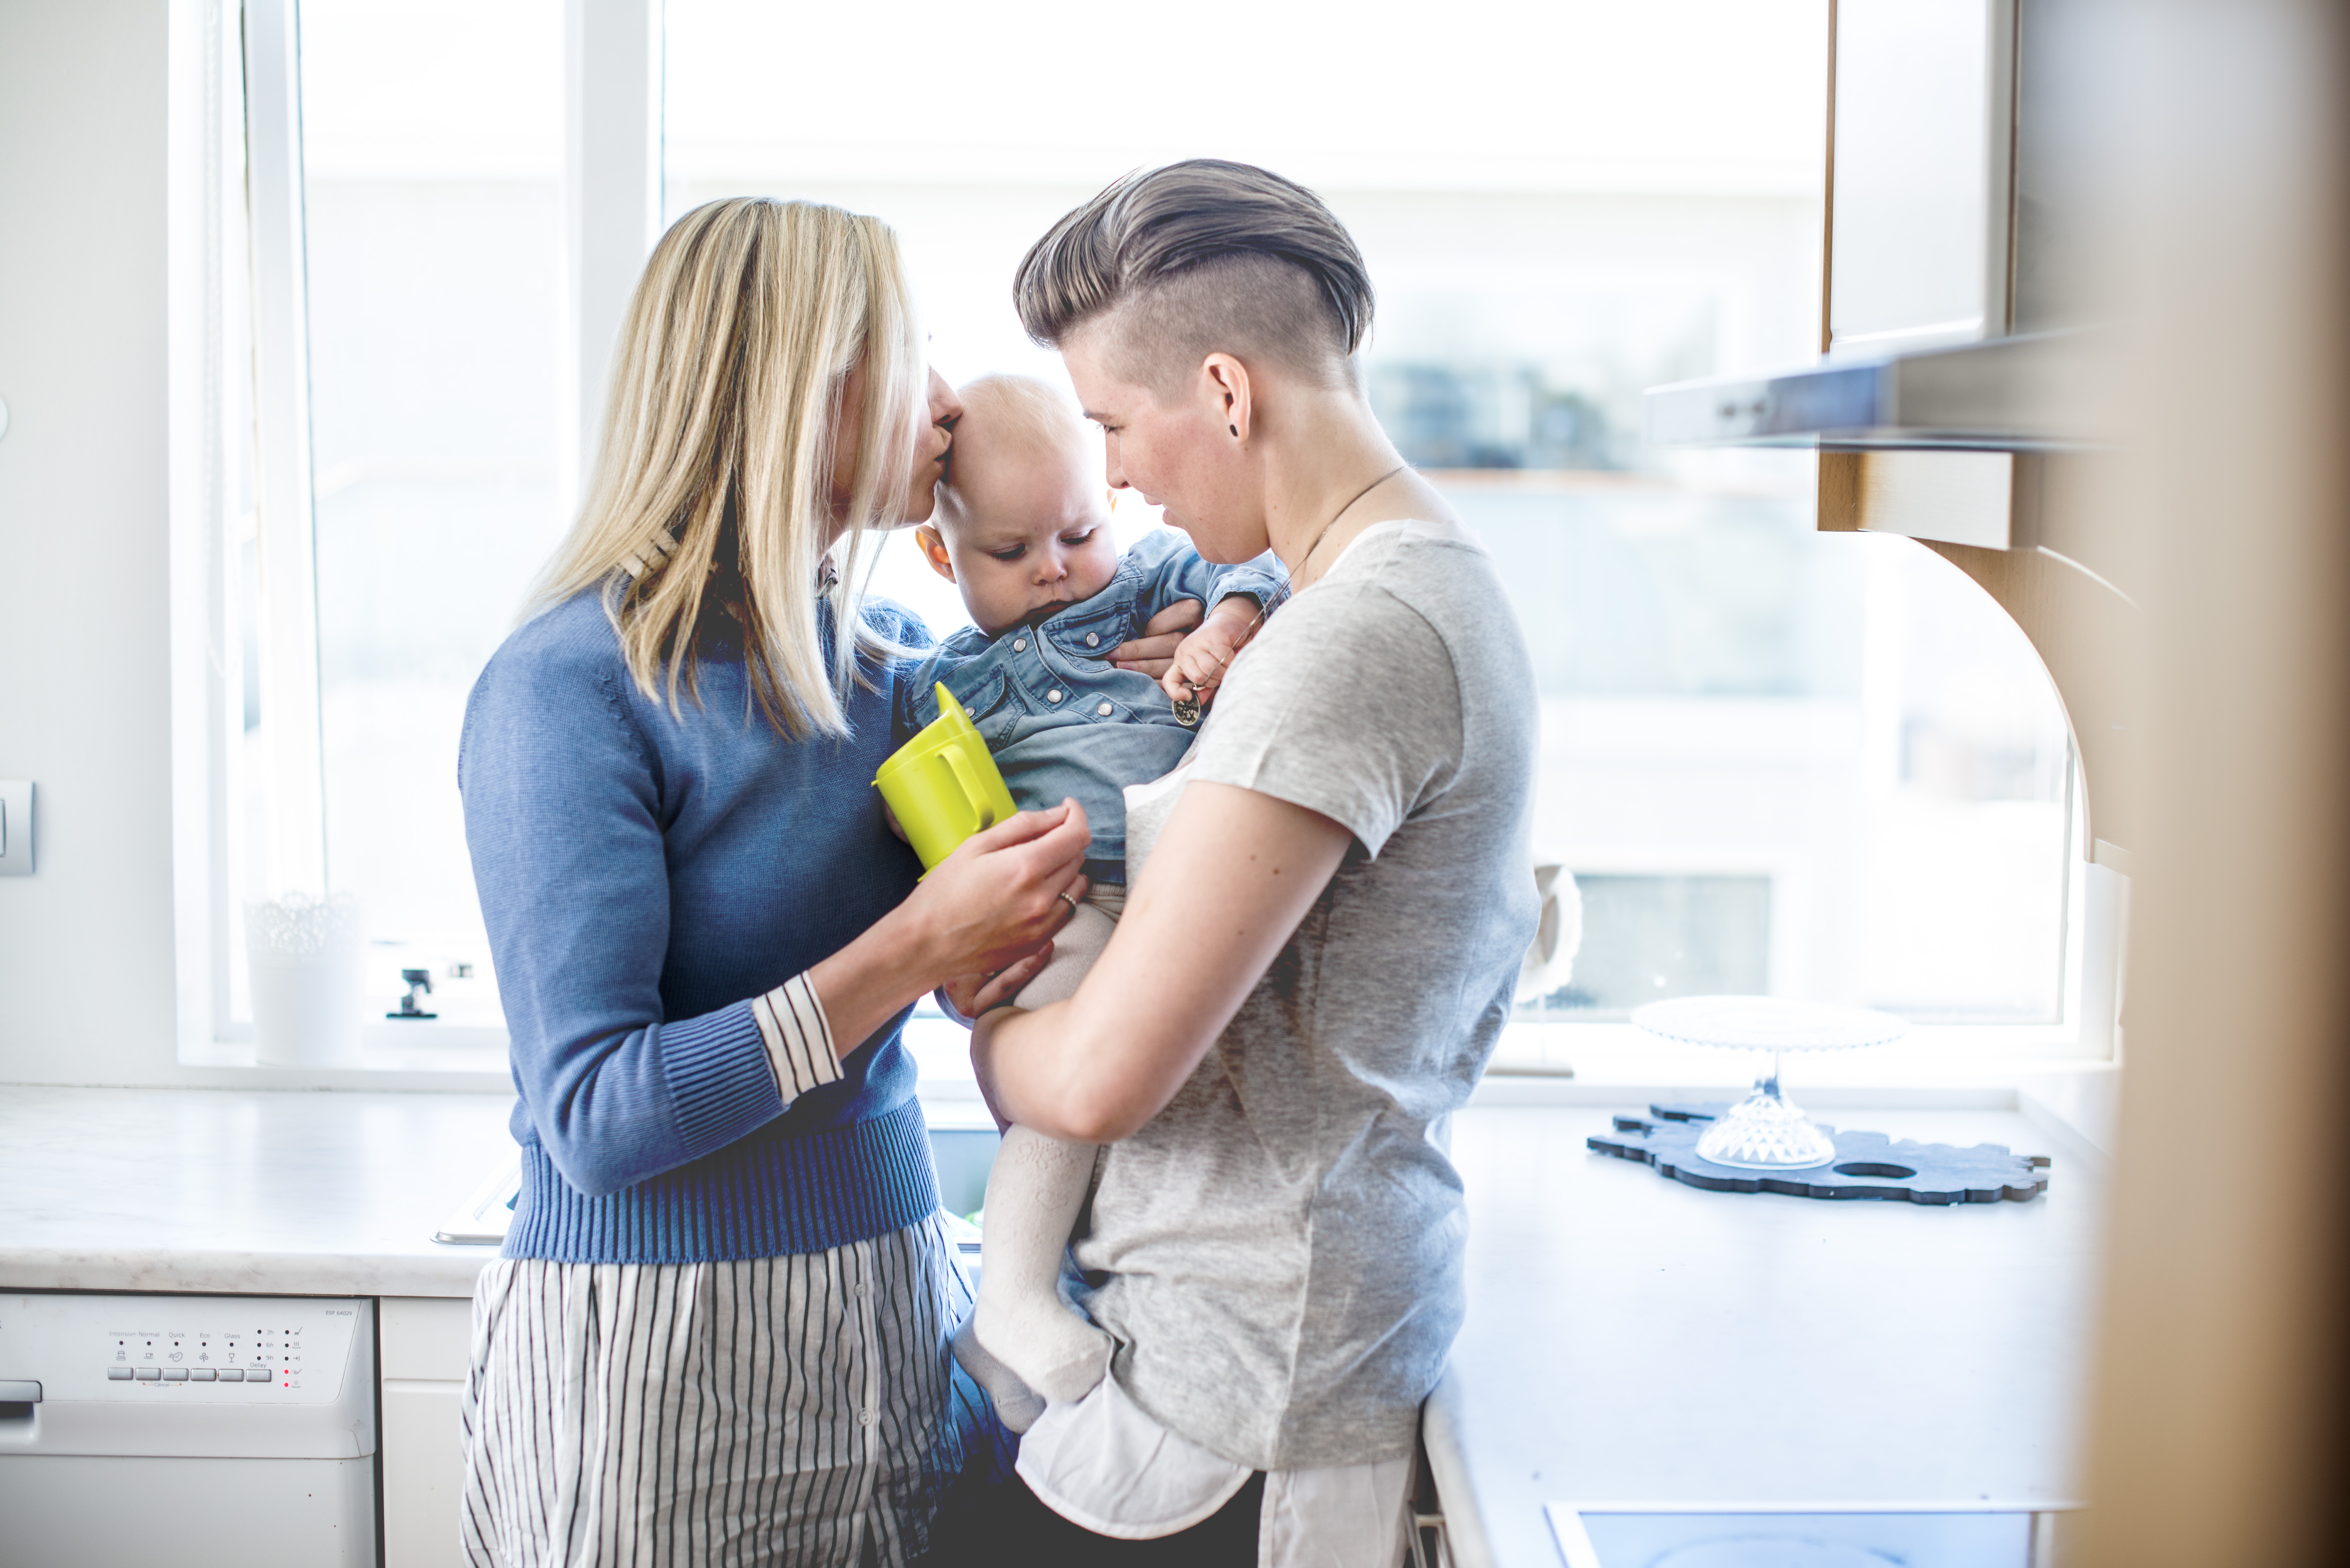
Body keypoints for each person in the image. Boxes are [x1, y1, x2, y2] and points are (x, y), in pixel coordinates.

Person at [452, 197, 1177, 1567]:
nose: (953, 404)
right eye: (915, 360)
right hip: (654, 1371)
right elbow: (598, 1116)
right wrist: (914, 949)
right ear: (801, 394)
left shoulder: (897, 674)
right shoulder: (565, 691)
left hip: (893, 1317)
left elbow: (1013, 944)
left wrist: (1148, 680)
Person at [960, 160, 1541, 1564]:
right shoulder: (1392, 597)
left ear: (1224, 394)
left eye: (1112, 424)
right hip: (1259, 1357)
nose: (1119, 481)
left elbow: (1100, 1075)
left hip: (1223, 1407)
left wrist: (973, 1010)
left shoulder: (1349, 641)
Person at [892, 373, 1281, 1430]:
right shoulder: (947, 682)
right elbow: (925, 830)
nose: (1057, 573)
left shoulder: (1155, 582)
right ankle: (1013, 1297)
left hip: (1190, 890)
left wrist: (1229, 621)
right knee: (1072, 1074)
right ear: (941, 555)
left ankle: (1021, 1311)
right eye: (1011, 554)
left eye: (1077, 533)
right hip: (1065, 909)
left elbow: (1266, 554)